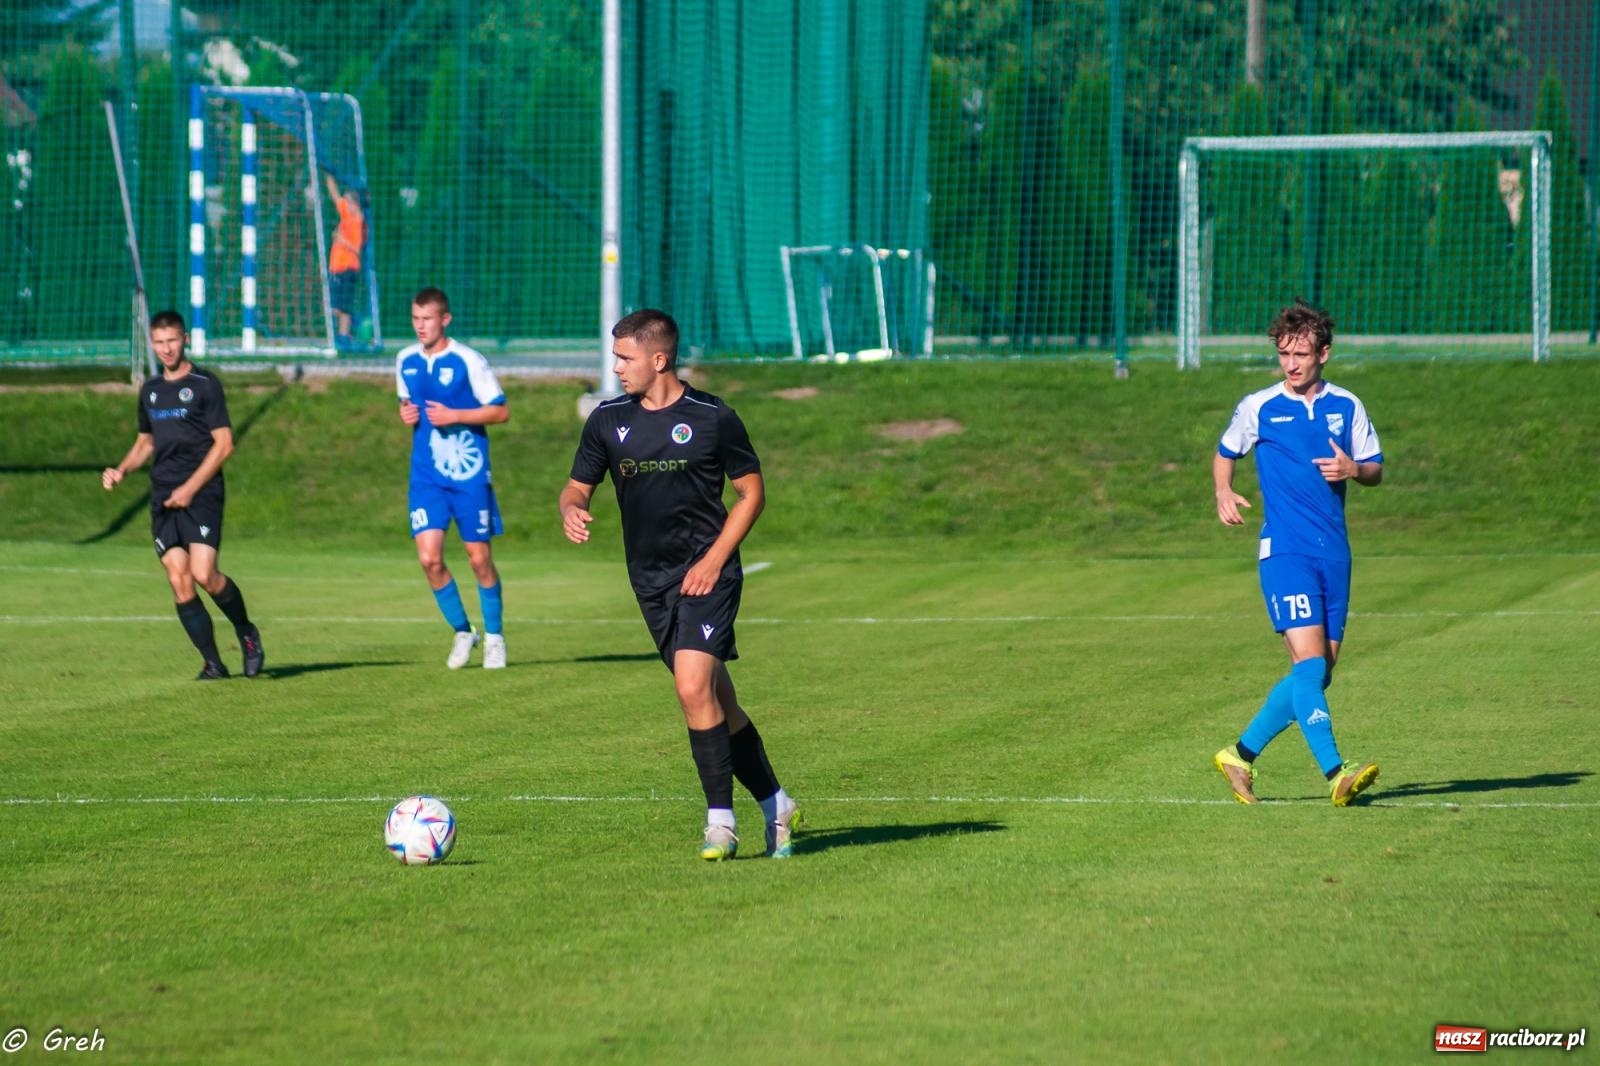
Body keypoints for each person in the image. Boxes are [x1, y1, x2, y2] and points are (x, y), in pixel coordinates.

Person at [559, 309, 800, 860]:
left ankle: (721, 824)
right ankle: (777, 804)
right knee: (716, 702)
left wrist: (715, 560)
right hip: (650, 582)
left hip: (708, 573)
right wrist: (572, 509)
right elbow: (575, 488)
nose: (615, 367)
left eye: (624, 357)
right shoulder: (606, 420)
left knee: (692, 687)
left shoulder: (713, 417)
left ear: (658, 359)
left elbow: (751, 493)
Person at [1212, 298, 1383, 807]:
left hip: (1335, 554)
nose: (1291, 363)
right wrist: (1224, 490)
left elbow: (1375, 468)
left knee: (1319, 671)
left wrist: (1354, 470)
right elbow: (1226, 453)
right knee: (1309, 667)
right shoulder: (1259, 406)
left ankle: (1239, 755)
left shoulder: (1346, 405)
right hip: (1285, 551)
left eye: (1301, 354)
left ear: (1323, 354)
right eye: (1284, 353)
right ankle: (1336, 772)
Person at [102, 310, 263, 681]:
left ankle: (246, 632)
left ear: (184, 338)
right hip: (163, 496)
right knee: (178, 578)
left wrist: (191, 488)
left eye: (171, 340)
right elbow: (146, 441)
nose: (165, 348)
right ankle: (213, 663)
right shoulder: (151, 390)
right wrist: (122, 469)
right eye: (158, 342)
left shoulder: (205, 384)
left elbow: (224, 445)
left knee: (205, 573)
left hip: (202, 492)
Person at [396, 286, 510, 669]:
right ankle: (464, 631)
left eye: (426, 319)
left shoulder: (468, 360)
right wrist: (406, 415)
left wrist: (456, 415)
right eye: (415, 319)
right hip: (426, 476)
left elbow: (500, 412)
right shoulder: (405, 360)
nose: (420, 326)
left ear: (444, 319)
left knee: (479, 559)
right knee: (429, 560)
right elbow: (406, 403)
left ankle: (494, 637)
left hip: (469, 475)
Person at [325, 173, 366, 349]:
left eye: (349, 202)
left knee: (343, 306)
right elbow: (334, 195)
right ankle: (354, 324)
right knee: (335, 307)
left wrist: (341, 240)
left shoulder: (358, 221)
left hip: (349, 268)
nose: (345, 204)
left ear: (355, 205)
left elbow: (357, 249)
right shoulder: (346, 215)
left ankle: (345, 335)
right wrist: (329, 175)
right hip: (336, 267)